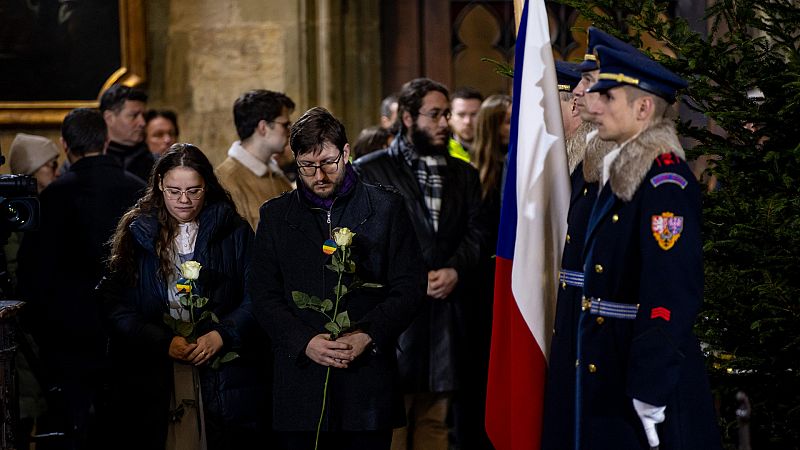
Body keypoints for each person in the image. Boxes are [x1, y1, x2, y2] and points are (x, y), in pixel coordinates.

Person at [248, 107, 426, 450]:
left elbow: (409, 286)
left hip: (367, 379)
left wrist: (368, 334)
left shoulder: (386, 207)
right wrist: (305, 341)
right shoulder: (275, 216)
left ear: (345, 152)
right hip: (301, 381)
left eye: (329, 162)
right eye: (307, 166)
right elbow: (263, 294)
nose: (320, 176)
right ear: (295, 159)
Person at [574, 44, 721, 449]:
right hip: (609, 361)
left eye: (607, 96)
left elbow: (671, 288)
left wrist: (651, 384)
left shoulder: (663, 181)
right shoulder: (623, 169)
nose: (595, 105)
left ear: (643, 110)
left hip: (639, 370)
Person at [98, 143, 271, 450]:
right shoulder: (138, 232)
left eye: (194, 190)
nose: (184, 200)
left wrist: (223, 334)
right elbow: (115, 304)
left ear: (208, 186)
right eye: (174, 190)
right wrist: (161, 340)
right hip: (158, 364)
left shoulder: (232, 229)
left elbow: (257, 294)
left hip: (220, 368)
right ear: (159, 185)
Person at [354, 78, 485, 450]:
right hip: (394, 319)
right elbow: (361, 239)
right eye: (435, 115)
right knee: (392, 426)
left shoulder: (464, 174)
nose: (444, 122)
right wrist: (411, 277)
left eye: (446, 114)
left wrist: (455, 269)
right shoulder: (369, 170)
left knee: (436, 423)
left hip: (446, 319)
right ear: (408, 117)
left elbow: (477, 231)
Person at [16, 108, 146, 449]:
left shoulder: (51, 199)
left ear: (64, 144)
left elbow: (31, 277)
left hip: (67, 342)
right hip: (129, 337)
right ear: (105, 141)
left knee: (74, 434)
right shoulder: (137, 191)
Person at [215, 89, 296, 230]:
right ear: (263, 127)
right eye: (284, 125)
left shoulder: (277, 176)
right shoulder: (225, 180)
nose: (289, 131)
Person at [100, 84, 156, 183]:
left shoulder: (156, 164)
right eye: (134, 115)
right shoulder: (90, 159)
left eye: (144, 115)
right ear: (109, 118)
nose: (142, 123)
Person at [447, 86, 484, 163]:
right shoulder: (442, 150)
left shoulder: (495, 150)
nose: (467, 121)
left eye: (474, 114)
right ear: (449, 117)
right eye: (461, 114)